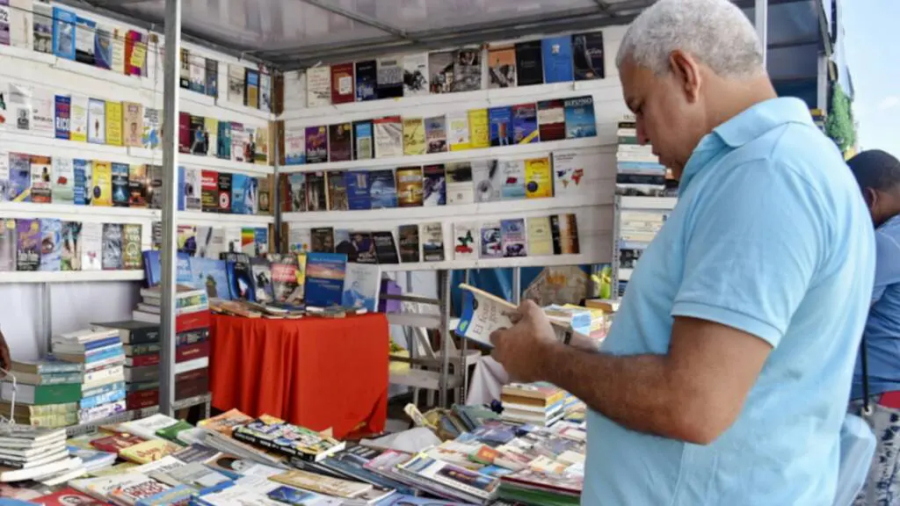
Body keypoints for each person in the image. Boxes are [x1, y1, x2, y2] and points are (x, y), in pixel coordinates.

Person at [488, 0, 875, 504]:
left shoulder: (764, 176)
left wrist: (545, 360)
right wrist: (573, 351)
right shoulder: (788, 165)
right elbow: (727, 372)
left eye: (640, 107)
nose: (642, 135)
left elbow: (692, 403)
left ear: (686, 73)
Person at [846, 150, 900, 504]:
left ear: (869, 197)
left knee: (869, 495)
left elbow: (841, 307)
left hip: (879, 395)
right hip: (888, 393)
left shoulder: (888, 242)